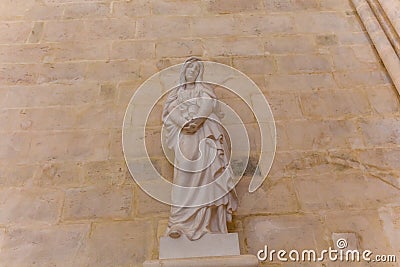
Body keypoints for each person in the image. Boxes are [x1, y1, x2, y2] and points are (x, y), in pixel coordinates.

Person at [162, 57, 238, 241]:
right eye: (189, 69)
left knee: (209, 173)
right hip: (186, 136)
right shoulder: (176, 93)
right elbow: (171, 110)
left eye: (196, 70)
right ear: (184, 72)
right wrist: (183, 122)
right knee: (184, 175)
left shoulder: (204, 90)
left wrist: (197, 121)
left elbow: (207, 104)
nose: (192, 72)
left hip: (205, 134)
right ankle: (179, 222)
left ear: (199, 74)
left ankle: (212, 225)